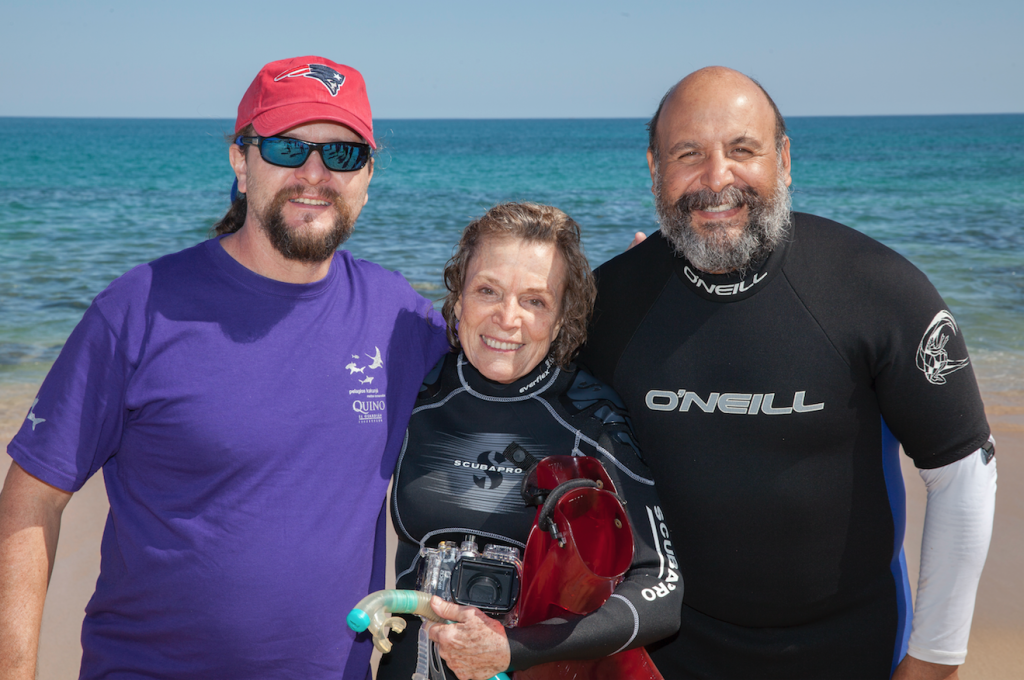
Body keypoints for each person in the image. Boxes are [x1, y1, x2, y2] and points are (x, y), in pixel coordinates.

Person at [0, 56, 449, 679]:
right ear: (241, 162)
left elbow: (518, 366)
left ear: (368, 177)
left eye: (343, 155)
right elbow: (31, 498)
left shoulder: (402, 321)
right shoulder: (139, 307)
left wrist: (618, 297)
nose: (315, 173)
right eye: (288, 149)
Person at [579, 67, 997, 680]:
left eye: (742, 149)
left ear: (784, 158)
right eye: (687, 154)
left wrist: (934, 658)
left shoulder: (877, 290)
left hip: (849, 649)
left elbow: (963, 472)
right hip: (665, 652)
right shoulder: (607, 303)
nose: (716, 178)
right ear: (654, 167)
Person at [377, 203, 682, 680]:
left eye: (535, 301)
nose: (507, 317)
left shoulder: (590, 419)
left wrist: (513, 648)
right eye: (487, 291)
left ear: (561, 318)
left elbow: (662, 590)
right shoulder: (414, 394)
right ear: (458, 300)